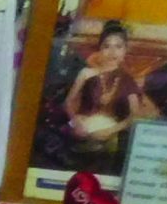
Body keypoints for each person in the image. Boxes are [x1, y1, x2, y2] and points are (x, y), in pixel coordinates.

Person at [65, 19, 157, 171]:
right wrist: (76, 122)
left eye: (118, 47)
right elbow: (68, 103)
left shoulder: (128, 80)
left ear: (125, 51)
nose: (112, 52)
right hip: (80, 135)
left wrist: (110, 131)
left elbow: (134, 115)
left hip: (109, 138)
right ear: (100, 49)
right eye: (107, 46)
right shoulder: (86, 73)